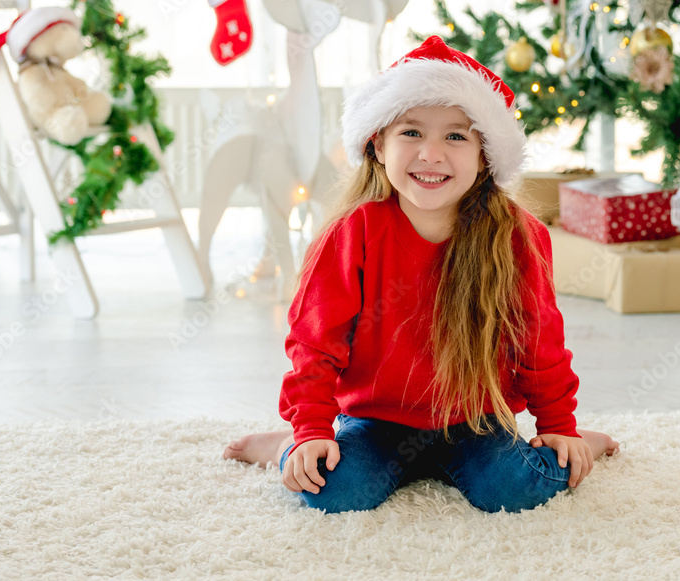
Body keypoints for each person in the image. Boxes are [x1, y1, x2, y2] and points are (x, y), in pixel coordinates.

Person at [224, 36, 618, 513]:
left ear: (485, 155)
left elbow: (540, 342)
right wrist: (311, 429)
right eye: (411, 132)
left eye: (455, 136)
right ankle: (282, 445)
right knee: (332, 492)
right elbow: (314, 344)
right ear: (378, 145)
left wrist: (559, 426)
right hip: (375, 420)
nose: (431, 154)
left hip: (475, 420)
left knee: (515, 490)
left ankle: (588, 445)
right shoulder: (353, 233)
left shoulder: (517, 236)